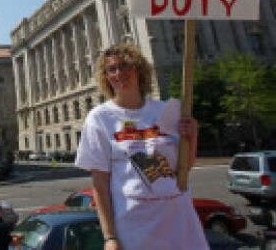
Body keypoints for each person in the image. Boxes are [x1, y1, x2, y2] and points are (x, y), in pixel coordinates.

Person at [75, 43, 208, 250]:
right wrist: (109, 237)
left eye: (125, 66)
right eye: (112, 69)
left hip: (179, 220)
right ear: (106, 76)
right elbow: (100, 185)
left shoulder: (167, 110)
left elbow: (185, 167)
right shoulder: (100, 118)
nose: (119, 73)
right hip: (135, 226)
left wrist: (193, 135)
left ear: (139, 69)